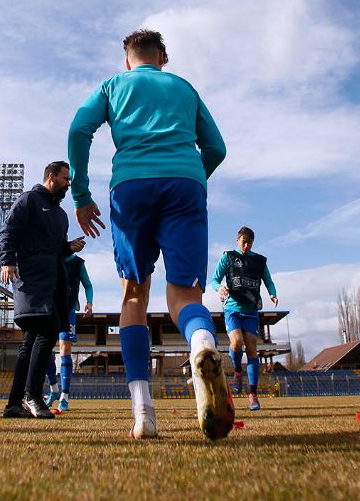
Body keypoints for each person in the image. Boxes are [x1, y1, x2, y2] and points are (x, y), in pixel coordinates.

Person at [68, 28, 231, 440]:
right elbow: (217, 148)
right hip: (184, 183)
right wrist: (193, 176)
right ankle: (200, 342)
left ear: (128, 60)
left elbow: (79, 130)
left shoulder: (112, 85)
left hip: (131, 186)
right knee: (186, 295)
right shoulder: (184, 87)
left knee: (133, 294)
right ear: (162, 58)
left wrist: (82, 195)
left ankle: (144, 413)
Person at [0, 162, 85, 419]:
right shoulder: (29, 200)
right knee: (47, 330)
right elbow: (9, 230)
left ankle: (13, 404)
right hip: (31, 280)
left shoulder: (61, 215)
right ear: (51, 176)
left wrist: (69, 247)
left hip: (52, 282)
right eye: (65, 178)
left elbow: (56, 249)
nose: (68, 184)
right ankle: (33, 395)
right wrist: (7, 260)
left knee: (31, 340)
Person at [211, 226, 278, 411]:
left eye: (250, 242)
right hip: (232, 309)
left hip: (251, 310)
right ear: (237, 240)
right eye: (243, 241)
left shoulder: (259, 261)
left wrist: (272, 293)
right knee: (236, 342)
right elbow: (214, 280)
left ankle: (253, 394)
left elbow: (268, 281)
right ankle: (237, 370)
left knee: (251, 346)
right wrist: (219, 288)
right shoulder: (228, 257)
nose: (246, 245)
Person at [47, 248, 94, 411]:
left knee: (65, 352)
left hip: (68, 312)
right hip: (50, 310)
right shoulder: (51, 257)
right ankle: (54, 389)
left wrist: (89, 303)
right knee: (44, 351)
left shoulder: (78, 263)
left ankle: (64, 397)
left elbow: (88, 285)